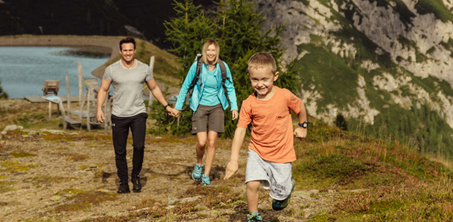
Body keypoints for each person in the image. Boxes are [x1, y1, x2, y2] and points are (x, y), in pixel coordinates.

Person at [223, 52, 309, 222]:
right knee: (251, 184)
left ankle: (286, 188)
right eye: (255, 79)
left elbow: (300, 107)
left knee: (280, 195)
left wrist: (302, 126)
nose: (260, 84)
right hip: (257, 151)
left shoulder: (284, 96)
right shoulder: (248, 103)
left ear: (275, 76)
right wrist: (233, 159)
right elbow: (240, 130)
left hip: (281, 154)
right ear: (249, 77)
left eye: (264, 79)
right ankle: (253, 215)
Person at [97, 37, 178, 194]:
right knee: (119, 151)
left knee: (139, 146)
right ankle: (123, 182)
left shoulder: (144, 68)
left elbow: (154, 88)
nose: (128, 53)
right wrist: (99, 108)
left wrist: (167, 106)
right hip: (119, 115)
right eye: (125, 50)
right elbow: (103, 89)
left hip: (138, 113)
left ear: (134, 51)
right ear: (120, 51)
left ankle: (135, 177)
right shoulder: (111, 69)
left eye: (130, 50)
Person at [173, 39, 238, 187]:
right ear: (204, 51)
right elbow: (185, 86)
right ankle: (199, 163)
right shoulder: (197, 66)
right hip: (199, 106)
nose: (210, 53)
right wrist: (178, 107)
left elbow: (230, 87)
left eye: (213, 50)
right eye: (208, 50)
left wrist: (234, 107)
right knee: (202, 142)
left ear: (217, 52)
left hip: (217, 107)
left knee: (212, 142)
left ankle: (206, 175)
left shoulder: (222, 67)